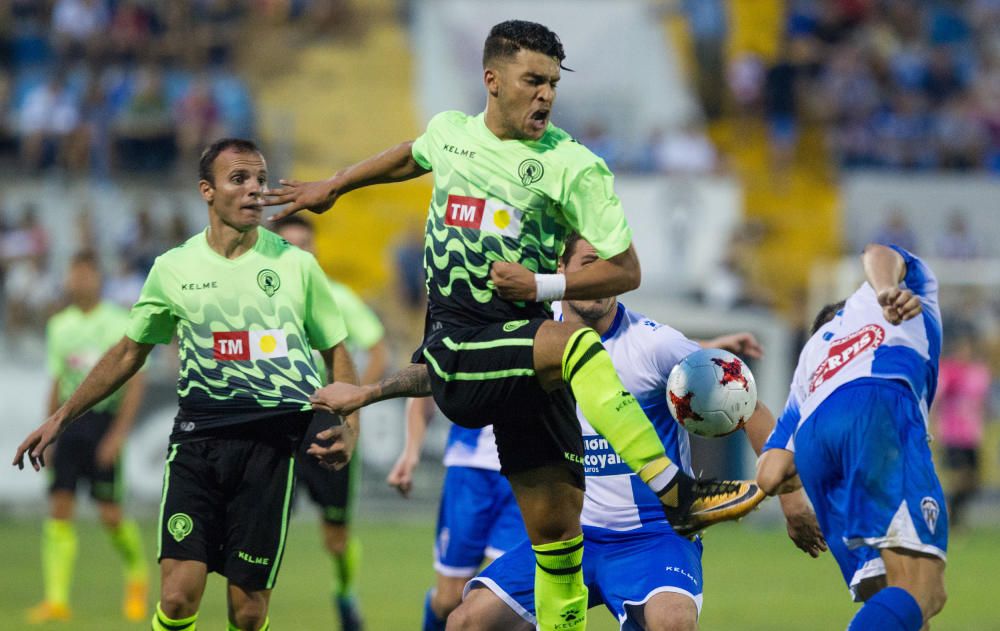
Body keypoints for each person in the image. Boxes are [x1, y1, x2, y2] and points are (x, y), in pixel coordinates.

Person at [265, 19, 763, 630]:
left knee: (557, 549)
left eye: (553, 83)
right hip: (458, 342)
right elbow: (410, 156)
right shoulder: (451, 135)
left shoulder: (575, 167)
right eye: (533, 81)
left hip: (525, 355)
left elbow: (626, 270)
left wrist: (542, 286)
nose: (546, 95)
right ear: (492, 80)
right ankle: (675, 492)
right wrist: (335, 184)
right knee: (579, 346)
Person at [14, 138, 359, 631]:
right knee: (177, 598)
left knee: (248, 612)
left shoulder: (295, 264)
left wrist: (349, 426)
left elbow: (337, 351)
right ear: (207, 190)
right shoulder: (174, 268)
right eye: (239, 179)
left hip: (271, 445)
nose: (254, 190)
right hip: (200, 441)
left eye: (260, 179)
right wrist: (60, 417)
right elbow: (130, 351)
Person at [448, 234, 824, 631]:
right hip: (570, 536)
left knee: (673, 624)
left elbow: (750, 407)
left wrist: (792, 500)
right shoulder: (536, 341)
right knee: (466, 621)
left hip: (654, 536)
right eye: (588, 263)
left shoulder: (655, 345)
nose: (598, 278)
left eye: (608, 268)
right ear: (561, 271)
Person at [756, 244, 948, 631]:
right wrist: (883, 291)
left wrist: (794, 506)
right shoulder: (888, 296)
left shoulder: (811, 359)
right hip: (877, 403)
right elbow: (879, 251)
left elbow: (770, 473)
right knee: (924, 590)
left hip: (816, 441)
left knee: (896, 601)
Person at [273, 215, 390, 631]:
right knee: (265, 525)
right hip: (275, 421)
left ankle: (344, 594)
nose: (301, 251)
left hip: (325, 423)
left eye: (307, 243)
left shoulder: (337, 297)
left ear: (317, 249)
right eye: (290, 245)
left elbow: (376, 347)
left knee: (335, 537)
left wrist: (356, 397)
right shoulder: (262, 300)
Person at [27, 250, 149, 624]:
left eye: (87, 274)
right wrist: (48, 431)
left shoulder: (117, 321)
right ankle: (57, 599)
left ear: (99, 278)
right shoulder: (59, 325)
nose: (80, 281)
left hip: (102, 422)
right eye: (75, 274)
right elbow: (55, 380)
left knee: (110, 514)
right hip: (68, 423)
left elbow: (135, 382)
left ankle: (137, 577)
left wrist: (117, 435)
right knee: (59, 509)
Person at [387, 397, 527, 631]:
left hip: (527, 472)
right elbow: (422, 381)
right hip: (469, 470)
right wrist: (410, 452)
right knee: (447, 602)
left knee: (505, 602)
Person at [932, 332, 991, 531]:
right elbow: (937, 396)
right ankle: (949, 516)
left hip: (972, 434)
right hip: (953, 432)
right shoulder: (950, 372)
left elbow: (982, 402)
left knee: (974, 480)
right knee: (960, 476)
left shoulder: (978, 373)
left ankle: (953, 514)